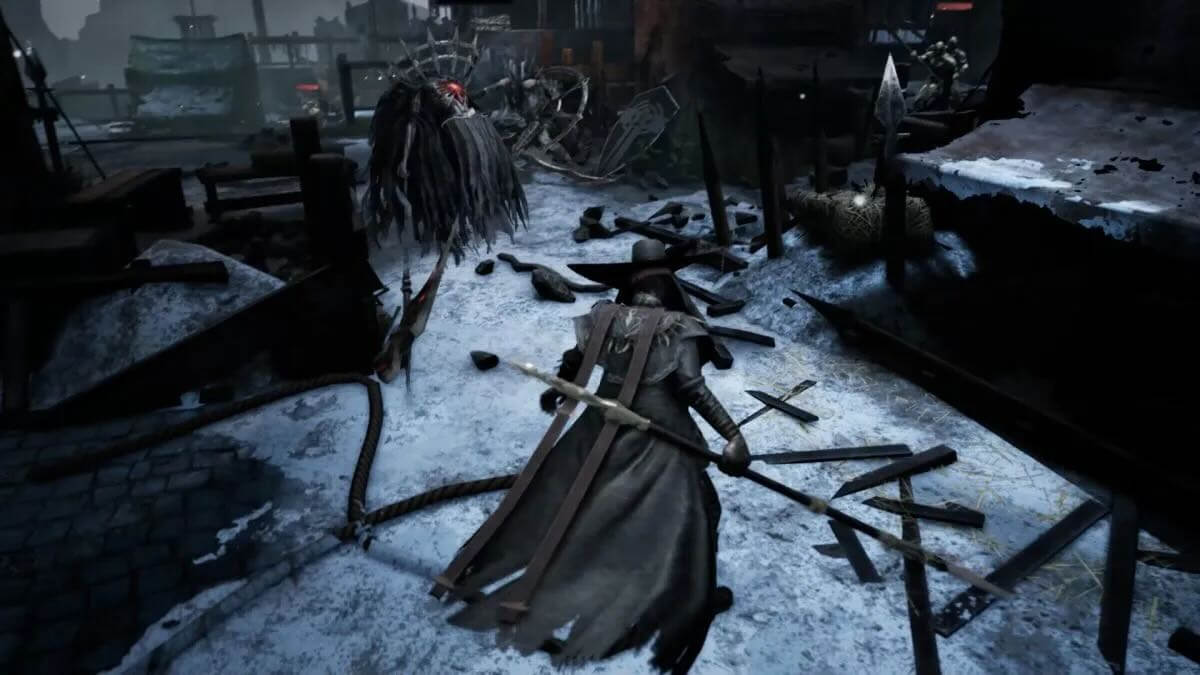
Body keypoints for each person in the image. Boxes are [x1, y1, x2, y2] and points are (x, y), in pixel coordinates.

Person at [434, 239, 750, 673]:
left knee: (578, 500)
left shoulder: (604, 318)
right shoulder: (679, 327)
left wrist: (557, 389)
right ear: (667, 282)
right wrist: (733, 436)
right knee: (699, 512)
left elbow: (574, 361)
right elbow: (694, 389)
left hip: (599, 430)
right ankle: (687, 594)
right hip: (660, 439)